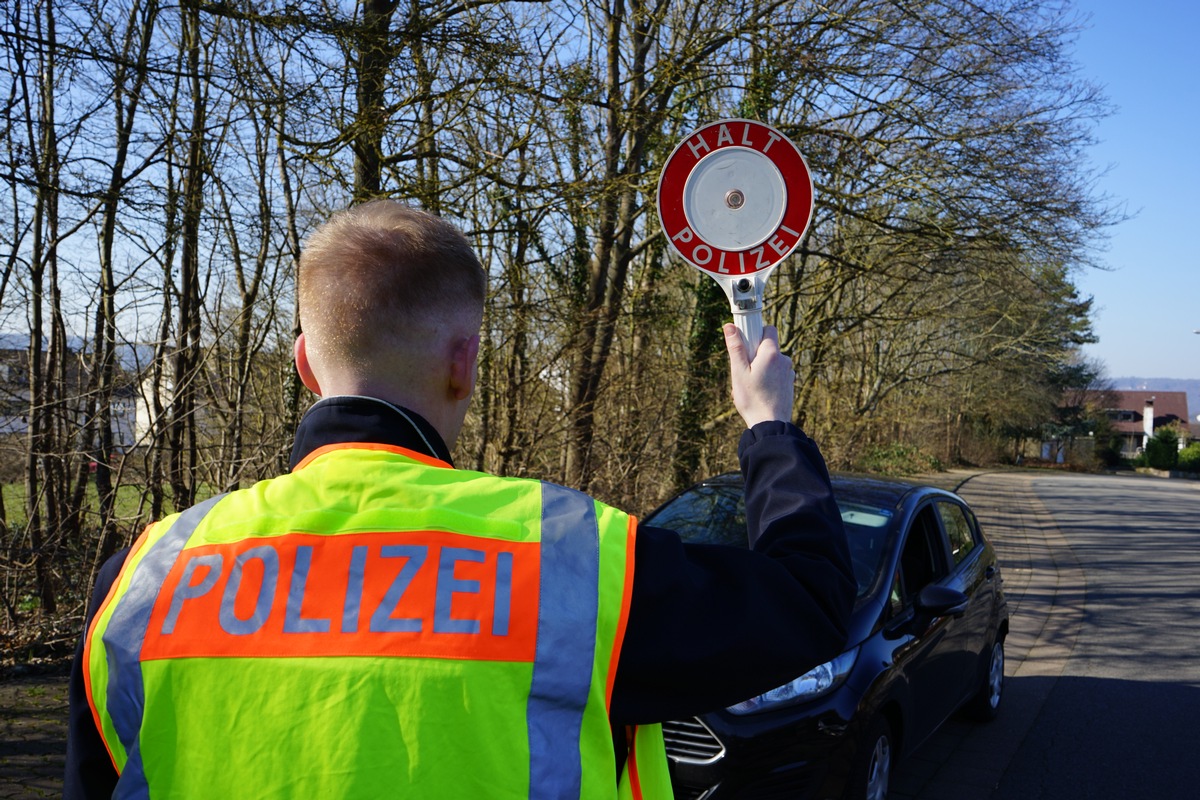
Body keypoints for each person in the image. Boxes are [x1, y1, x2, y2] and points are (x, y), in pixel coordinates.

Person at [64, 199, 855, 798]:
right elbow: (810, 600)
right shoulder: (578, 563)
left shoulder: (140, 581)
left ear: (306, 364)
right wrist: (768, 426)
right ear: (466, 362)